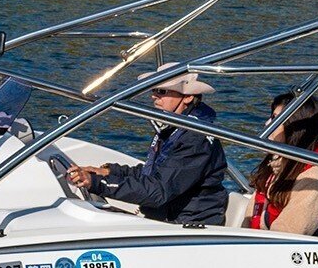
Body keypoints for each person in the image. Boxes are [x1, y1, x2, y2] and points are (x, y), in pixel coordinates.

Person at [66, 71, 230, 226]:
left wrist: (96, 182)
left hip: (189, 225)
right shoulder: (175, 129)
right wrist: (109, 172)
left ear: (187, 97)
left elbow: (159, 191)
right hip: (169, 218)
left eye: (162, 91)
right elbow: (154, 173)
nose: (154, 96)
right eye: (153, 90)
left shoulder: (194, 139)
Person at [243, 90, 318, 237]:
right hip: (263, 247)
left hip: (296, 253)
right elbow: (248, 224)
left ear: (294, 129)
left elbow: (288, 233)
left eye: (275, 119)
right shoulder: (274, 168)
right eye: (271, 117)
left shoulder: (314, 178)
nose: (267, 123)